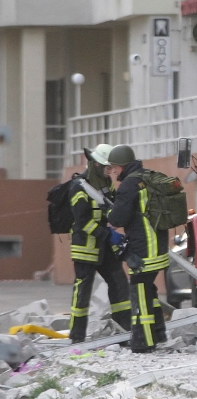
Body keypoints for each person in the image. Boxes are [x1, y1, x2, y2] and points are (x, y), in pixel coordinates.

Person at [104, 145, 168, 353]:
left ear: (122, 166)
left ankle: (144, 342)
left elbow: (118, 218)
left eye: (114, 167)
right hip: (159, 247)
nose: (113, 172)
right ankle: (159, 332)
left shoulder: (129, 185)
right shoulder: (146, 178)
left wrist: (109, 211)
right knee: (149, 290)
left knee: (139, 291)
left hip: (144, 250)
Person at [68, 144, 131, 343]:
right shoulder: (79, 187)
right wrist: (108, 235)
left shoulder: (106, 184)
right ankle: (76, 337)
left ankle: (124, 331)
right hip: (85, 248)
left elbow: (110, 209)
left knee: (119, 283)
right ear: (95, 164)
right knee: (83, 291)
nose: (109, 171)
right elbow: (83, 222)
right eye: (106, 167)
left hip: (104, 247)